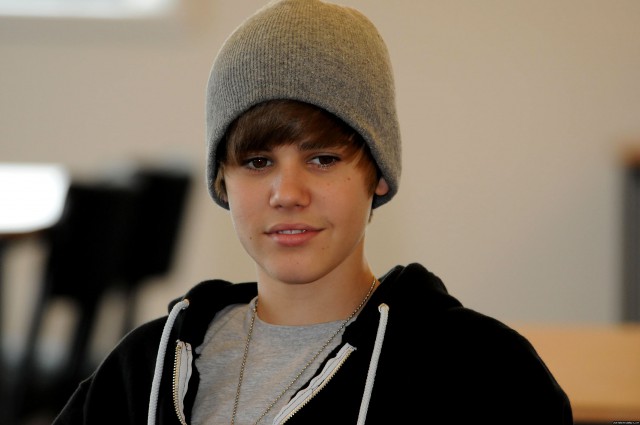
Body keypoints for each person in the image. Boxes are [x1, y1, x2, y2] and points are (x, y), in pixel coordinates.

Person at [53, 0, 573, 424]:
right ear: (223, 183)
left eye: (323, 159)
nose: (287, 193)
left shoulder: (480, 372)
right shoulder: (144, 367)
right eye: (257, 162)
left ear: (378, 174)